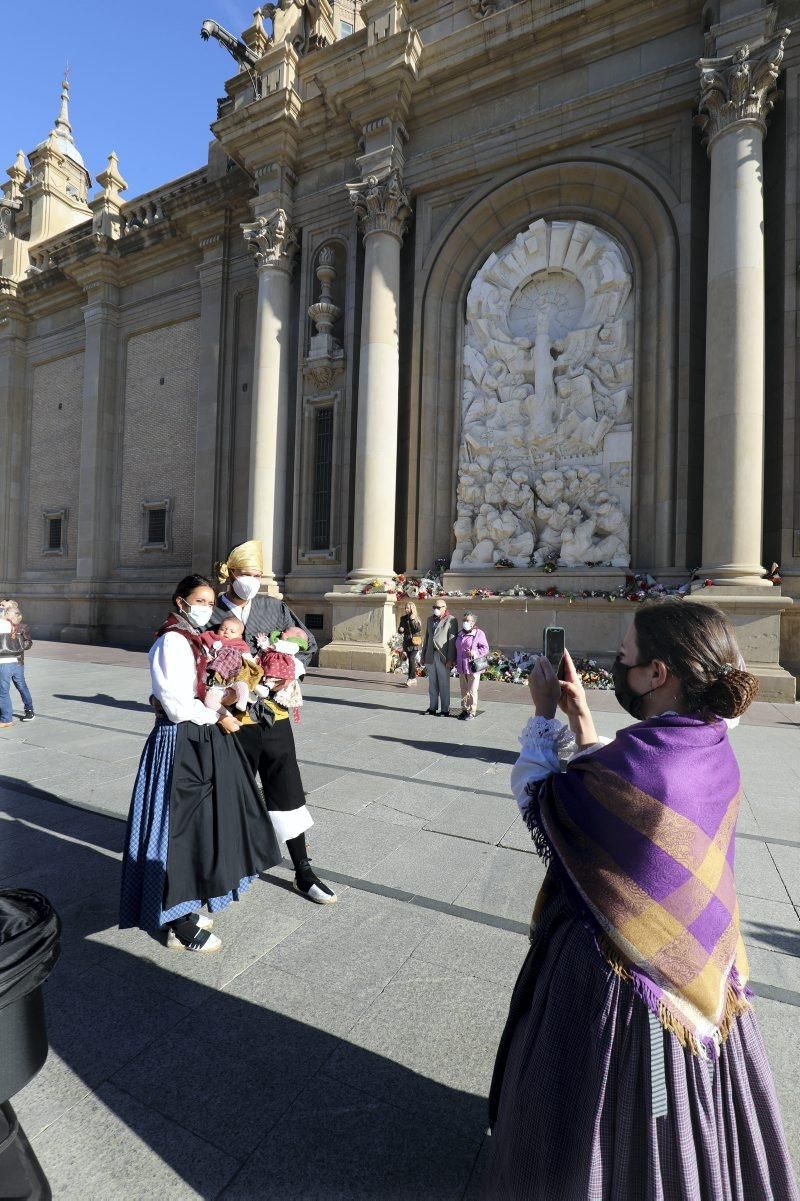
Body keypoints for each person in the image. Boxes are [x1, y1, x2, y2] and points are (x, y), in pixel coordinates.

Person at [483, 599, 798, 1201]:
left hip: (626, 973)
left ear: (659, 674)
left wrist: (546, 716)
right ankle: (683, 1164)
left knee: (631, 1085)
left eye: (623, 657)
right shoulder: (708, 744)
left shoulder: (636, 769)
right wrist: (585, 728)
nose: (615, 666)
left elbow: (542, 797)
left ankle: (629, 1173)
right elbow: (630, 796)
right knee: (677, 1091)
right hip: (702, 958)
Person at [119, 575, 282, 952]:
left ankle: (185, 907)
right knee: (179, 831)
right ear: (181, 602)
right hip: (180, 744)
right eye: (201, 600)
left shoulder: (196, 640)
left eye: (211, 601)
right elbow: (176, 707)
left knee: (200, 828)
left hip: (198, 741)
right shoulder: (172, 641)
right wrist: (220, 714)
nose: (207, 607)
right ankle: (177, 921)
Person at [210, 540, 337, 905]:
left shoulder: (272, 607)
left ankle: (303, 869)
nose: (250, 581)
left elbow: (307, 643)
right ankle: (229, 864)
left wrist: (292, 669)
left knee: (287, 787)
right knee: (232, 789)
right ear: (230, 573)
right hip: (231, 721)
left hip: (274, 715)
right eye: (245, 574)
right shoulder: (211, 613)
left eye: (256, 575)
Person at [0, 598, 35, 727]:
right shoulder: (7, 624)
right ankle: (6, 715)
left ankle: (27, 709)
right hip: (12, 661)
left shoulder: (21, 627)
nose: (2, 608)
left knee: (19, 686)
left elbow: (28, 642)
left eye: (4, 607)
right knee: (5, 689)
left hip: (15, 661)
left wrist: (18, 646)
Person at [421, 600, 458, 716]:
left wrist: (450, 659)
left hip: (443, 656)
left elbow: (452, 641)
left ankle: (445, 709)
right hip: (431, 655)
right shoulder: (429, 619)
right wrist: (423, 655)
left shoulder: (451, 620)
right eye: (434, 607)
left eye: (438, 607)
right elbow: (426, 639)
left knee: (444, 683)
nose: (435, 609)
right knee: (432, 683)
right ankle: (432, 707)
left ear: (444, 607)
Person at [455, 610, 489, 720]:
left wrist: (475, 653)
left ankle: (472, 711)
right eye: (463, 620)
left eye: (467, 620)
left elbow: (485, 648)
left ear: (473, 622)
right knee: (463, 689)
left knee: (472, 690)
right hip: (461, 666)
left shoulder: (479, 633)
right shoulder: (460, 634)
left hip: (473, 667)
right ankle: (464, 710)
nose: (465, 622)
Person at [398, 601, 423, 686]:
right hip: (407, 641)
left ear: (412, 609)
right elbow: (400, 629)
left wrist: (412, 620)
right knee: (410, 659)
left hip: (415, 642)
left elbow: (417, 629)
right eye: (405, 608)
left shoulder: (416, 618)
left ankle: (410, 678)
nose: (406, 609)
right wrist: (400, 629)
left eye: (407, 608)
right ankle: (414, 678)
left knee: (412, 659)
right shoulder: (403, 618)